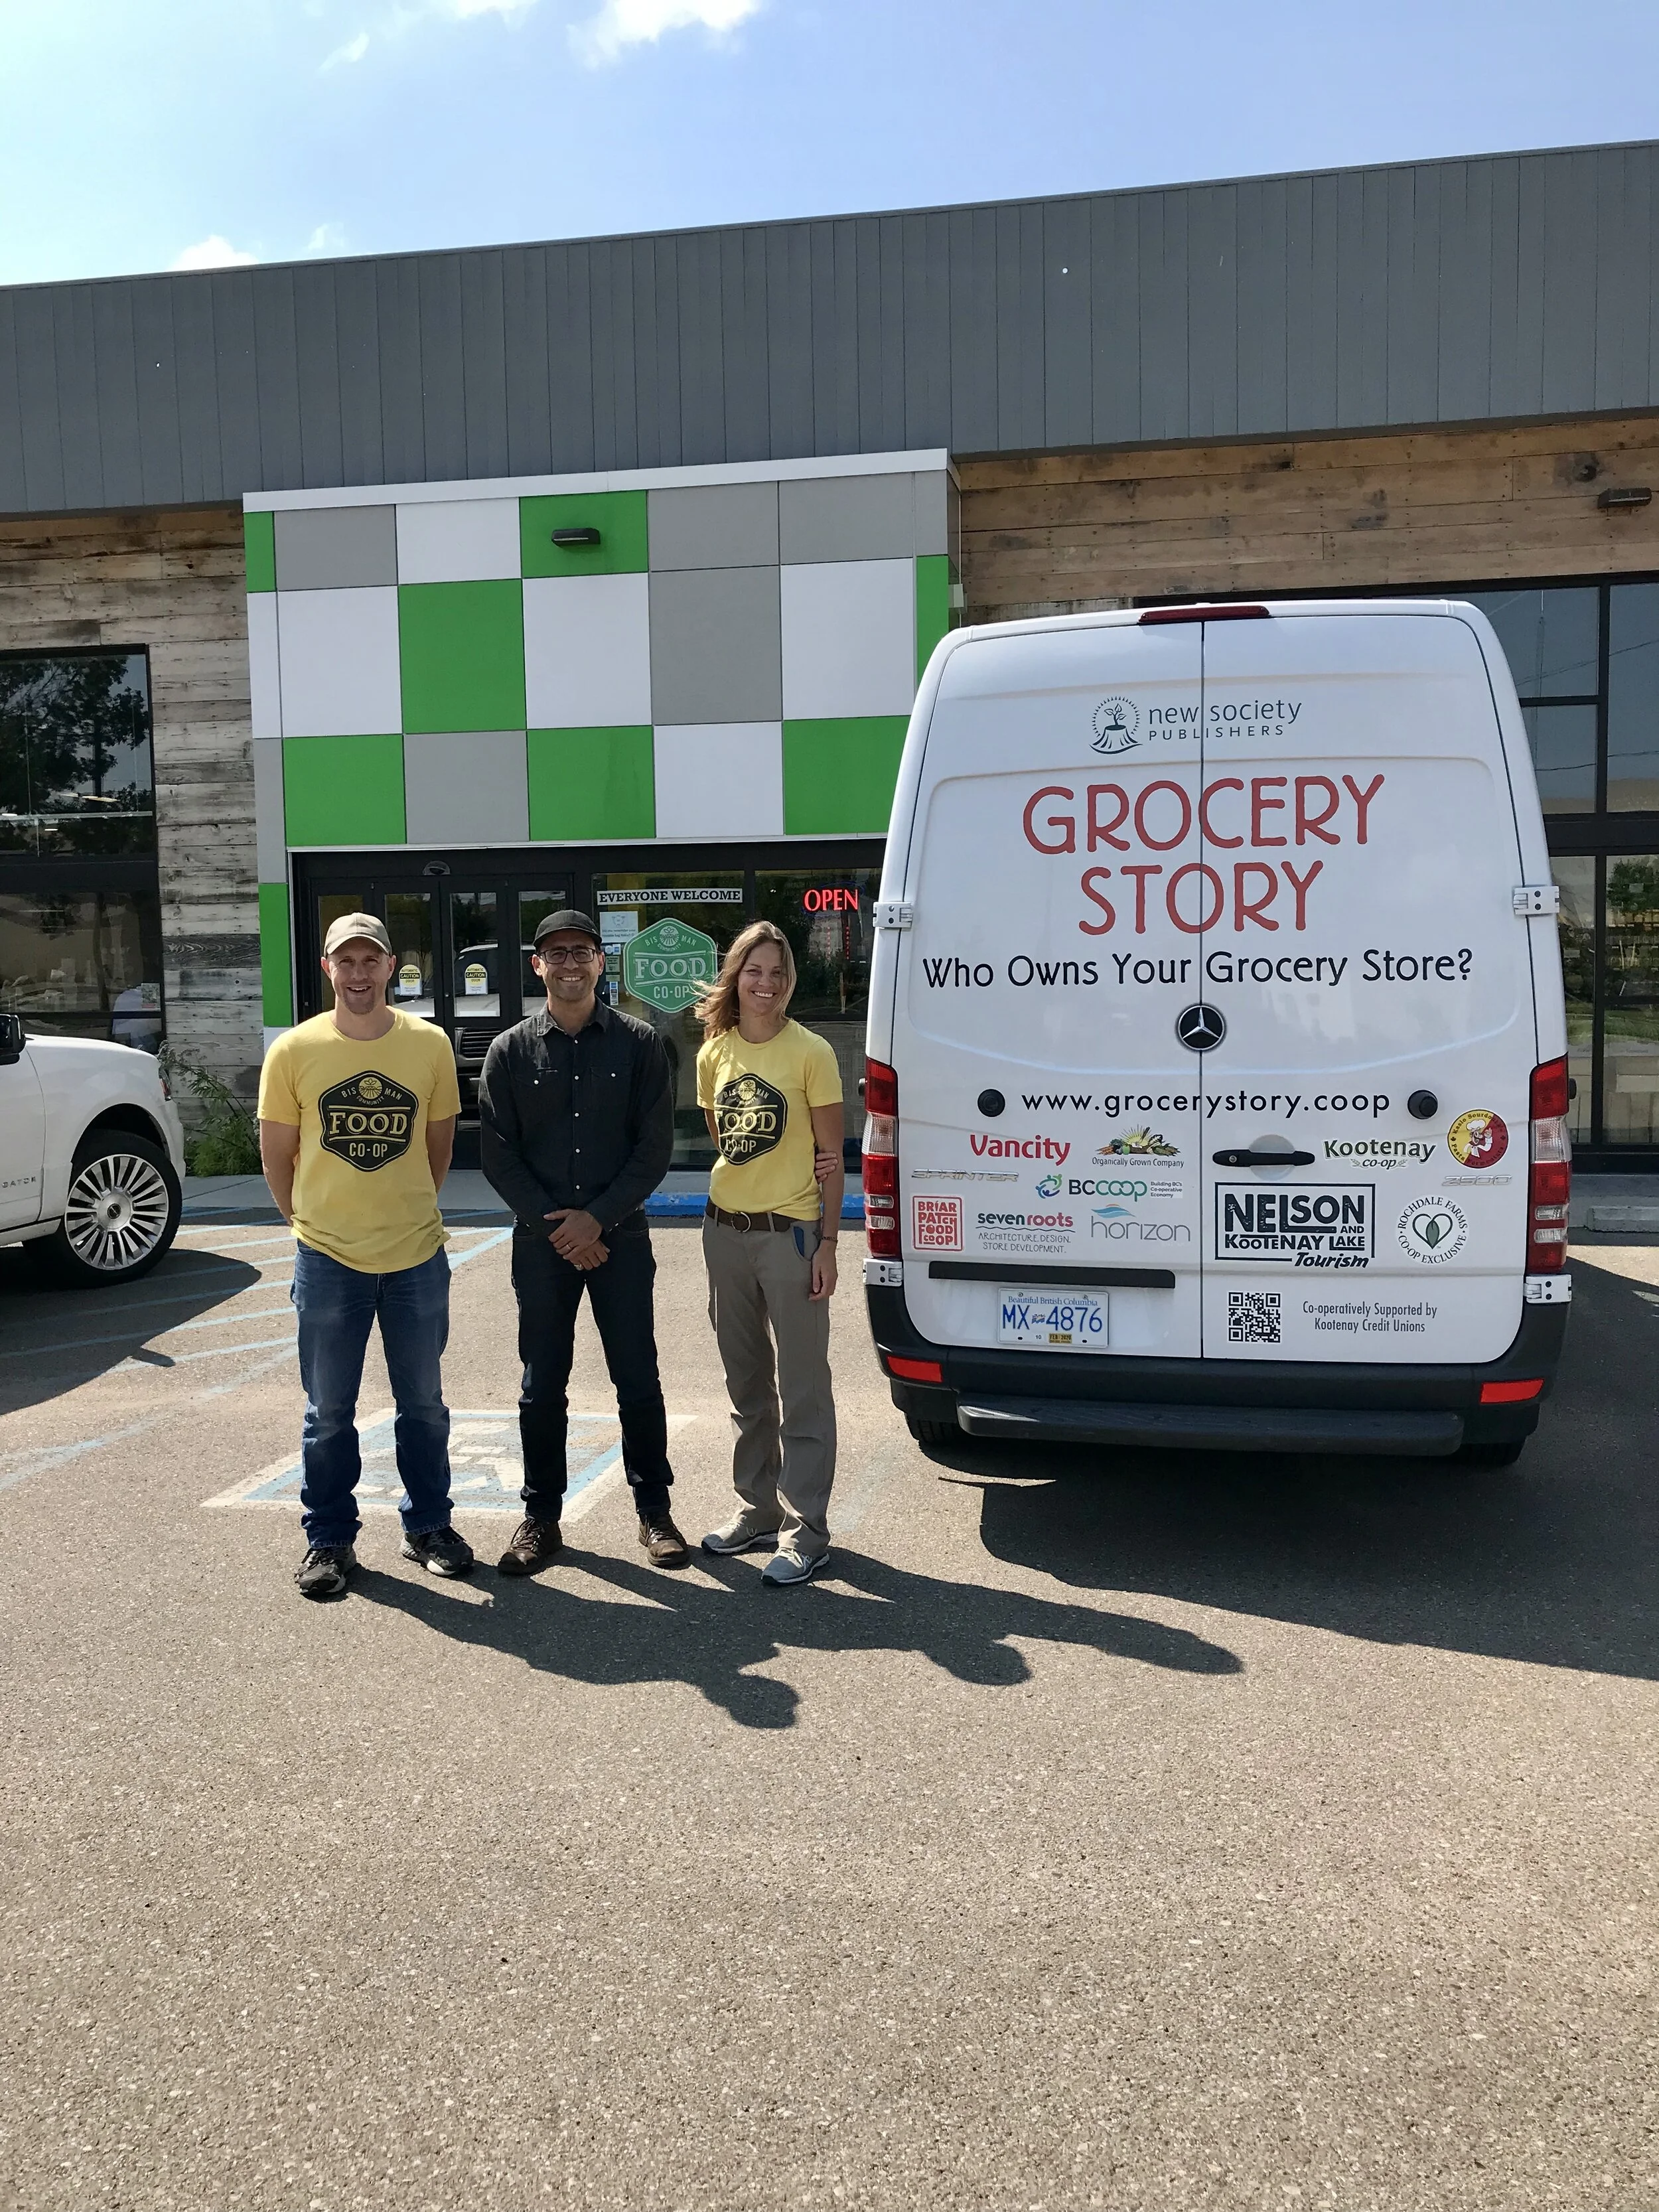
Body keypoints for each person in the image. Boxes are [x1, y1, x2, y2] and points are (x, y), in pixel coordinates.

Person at [257, 913, 472, 1599]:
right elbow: (277, 1153)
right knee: (328, 1412)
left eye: (369, 960)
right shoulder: (294, 1050)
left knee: (424, 1405)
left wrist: (404, 1208)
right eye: (345, 961)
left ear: (390, 966)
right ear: (328, 968)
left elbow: (438, 1146)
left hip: (415, 1257)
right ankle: (329, 1539)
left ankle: (429, 1526)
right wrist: (308, 1223)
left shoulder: (429, 1045)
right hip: (327, 1259)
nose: (358, 974)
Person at [478, 909, 686, 1574]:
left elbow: (653, 1149)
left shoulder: (641, 1044)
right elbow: (498, 1154)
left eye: (582, 951)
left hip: (621, 1238)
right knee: (542, 1385)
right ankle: (541, 1518)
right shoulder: (510, 1051)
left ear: (601, 962)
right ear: (537, 966)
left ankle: (655, 1512)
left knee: (637, 1378)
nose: (570, 963)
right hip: (542, 1246)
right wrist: (561, 1229)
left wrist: (596, 1220)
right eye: (557, 953)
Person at [695, 919, 843, 1585]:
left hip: (792, 1234)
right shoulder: (714, 1053)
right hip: (724, 1231)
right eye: (754, 971)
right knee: (746, 1381)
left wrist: (828, 1243)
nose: (766, 983)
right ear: (736, 977)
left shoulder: (811, 1051)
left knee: (803, 1385)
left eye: (778, 973)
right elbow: (723, 1140)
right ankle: (756, 1508)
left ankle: (806, 1530)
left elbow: (831, 1158)